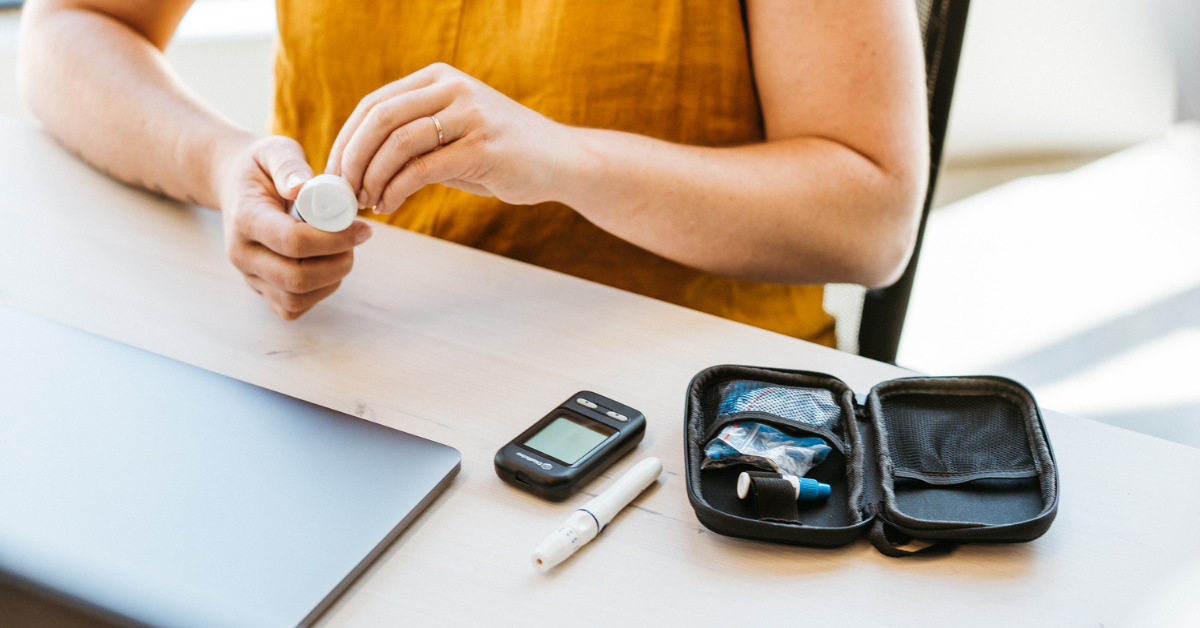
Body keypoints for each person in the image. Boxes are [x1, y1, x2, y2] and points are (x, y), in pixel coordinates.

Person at [19, 0, 929, 347]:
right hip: (351, 351)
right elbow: (70, 27)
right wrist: (219, 162)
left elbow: (871, 218)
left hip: (677, 397)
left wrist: (571, 162)